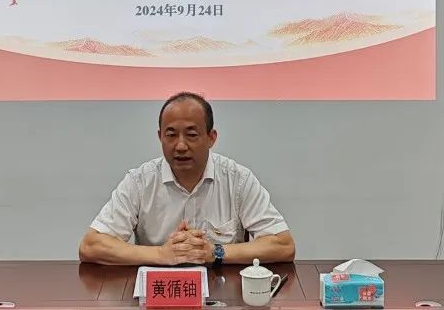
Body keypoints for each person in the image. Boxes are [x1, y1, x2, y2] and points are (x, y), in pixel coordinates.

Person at [79, 92, 295, 265]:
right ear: (160, 137)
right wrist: (161, 255)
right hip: (158, 293)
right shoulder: (140, 181)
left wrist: (215, 252)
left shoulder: (237, 179)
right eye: (171, 135)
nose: (181, 146)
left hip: (222, 293)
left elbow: (283, 245)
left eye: (191, 135)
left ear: (211, 138)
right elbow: (91, 246)